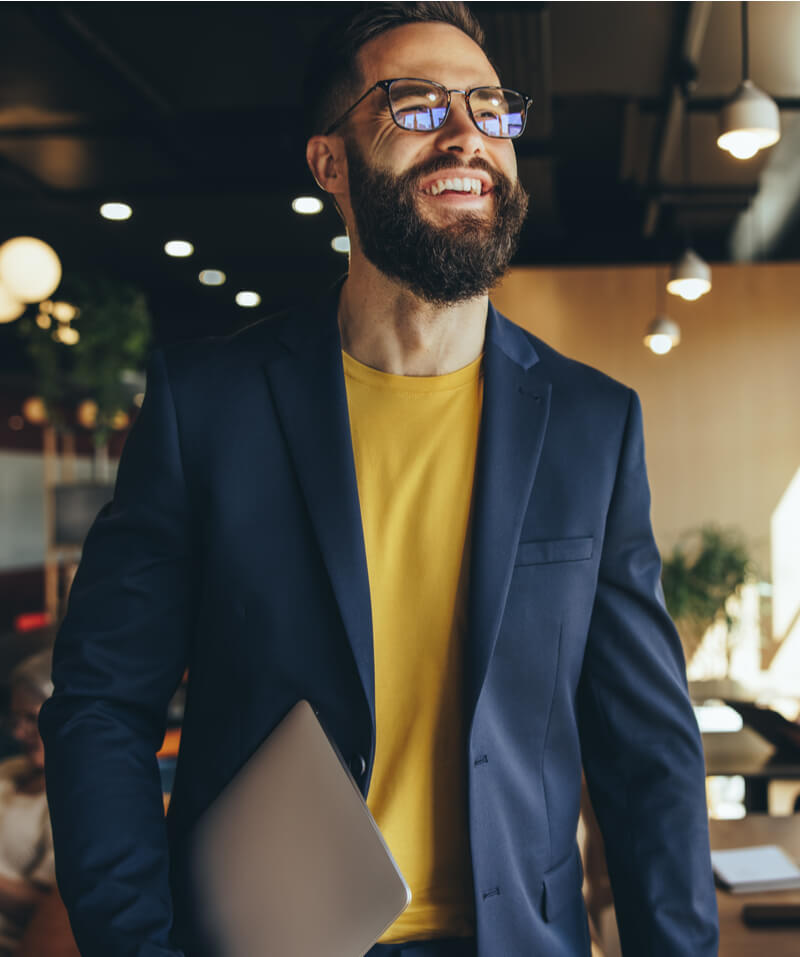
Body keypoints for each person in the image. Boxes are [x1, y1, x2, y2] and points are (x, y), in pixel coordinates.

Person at [40, 4, 719, 956]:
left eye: (490, 107)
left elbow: (647, 753)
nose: (466, 134)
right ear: (330, 166)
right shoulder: (210, 409)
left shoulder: (594, 427)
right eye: (414, 105)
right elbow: (102, 705)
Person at [0, 651, 56, 956]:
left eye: (32, 719)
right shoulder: (8, 771)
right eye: (15, 719)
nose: (19, 733)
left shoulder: (66, 801)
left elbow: (49, 909)